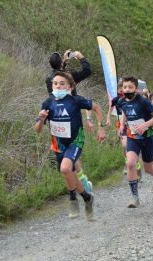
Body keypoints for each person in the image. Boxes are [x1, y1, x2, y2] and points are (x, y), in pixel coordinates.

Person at [35, 72, 107, 220]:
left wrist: (101, 128)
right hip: (58, 144)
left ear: (68, 86)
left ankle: (73, 200)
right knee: (71, 174)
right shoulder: (47, 103)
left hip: (75, 141)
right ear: (51, 86)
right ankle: (87, 198)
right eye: (56, 83)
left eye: (62, 83)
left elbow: (97, 108)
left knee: (65, 168)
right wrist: (41, 119)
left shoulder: (75, 100)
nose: (58, 86)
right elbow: (38, 130)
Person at [46, 51, 93, 192]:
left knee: (66, 150)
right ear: (61, 63)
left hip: (56, 117)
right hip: (71, 116)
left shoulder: (49, 78)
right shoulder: (69, 77)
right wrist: (81, 57)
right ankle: (83, 183)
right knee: (72, 147)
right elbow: (87, 70)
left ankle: (82, 182)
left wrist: (63, 62)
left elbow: (58, 75)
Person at [118, 75, 153, 208]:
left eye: (130, 87)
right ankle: (135, 197)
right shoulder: (121, 101)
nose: (127, 90)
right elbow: (125, 112)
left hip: (147, 137)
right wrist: (122, 125)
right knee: (131, 164)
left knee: (148, 168)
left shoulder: (143, 101)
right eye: (125, 87)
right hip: (132, 136)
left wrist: (145, 126)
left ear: (136, 88)